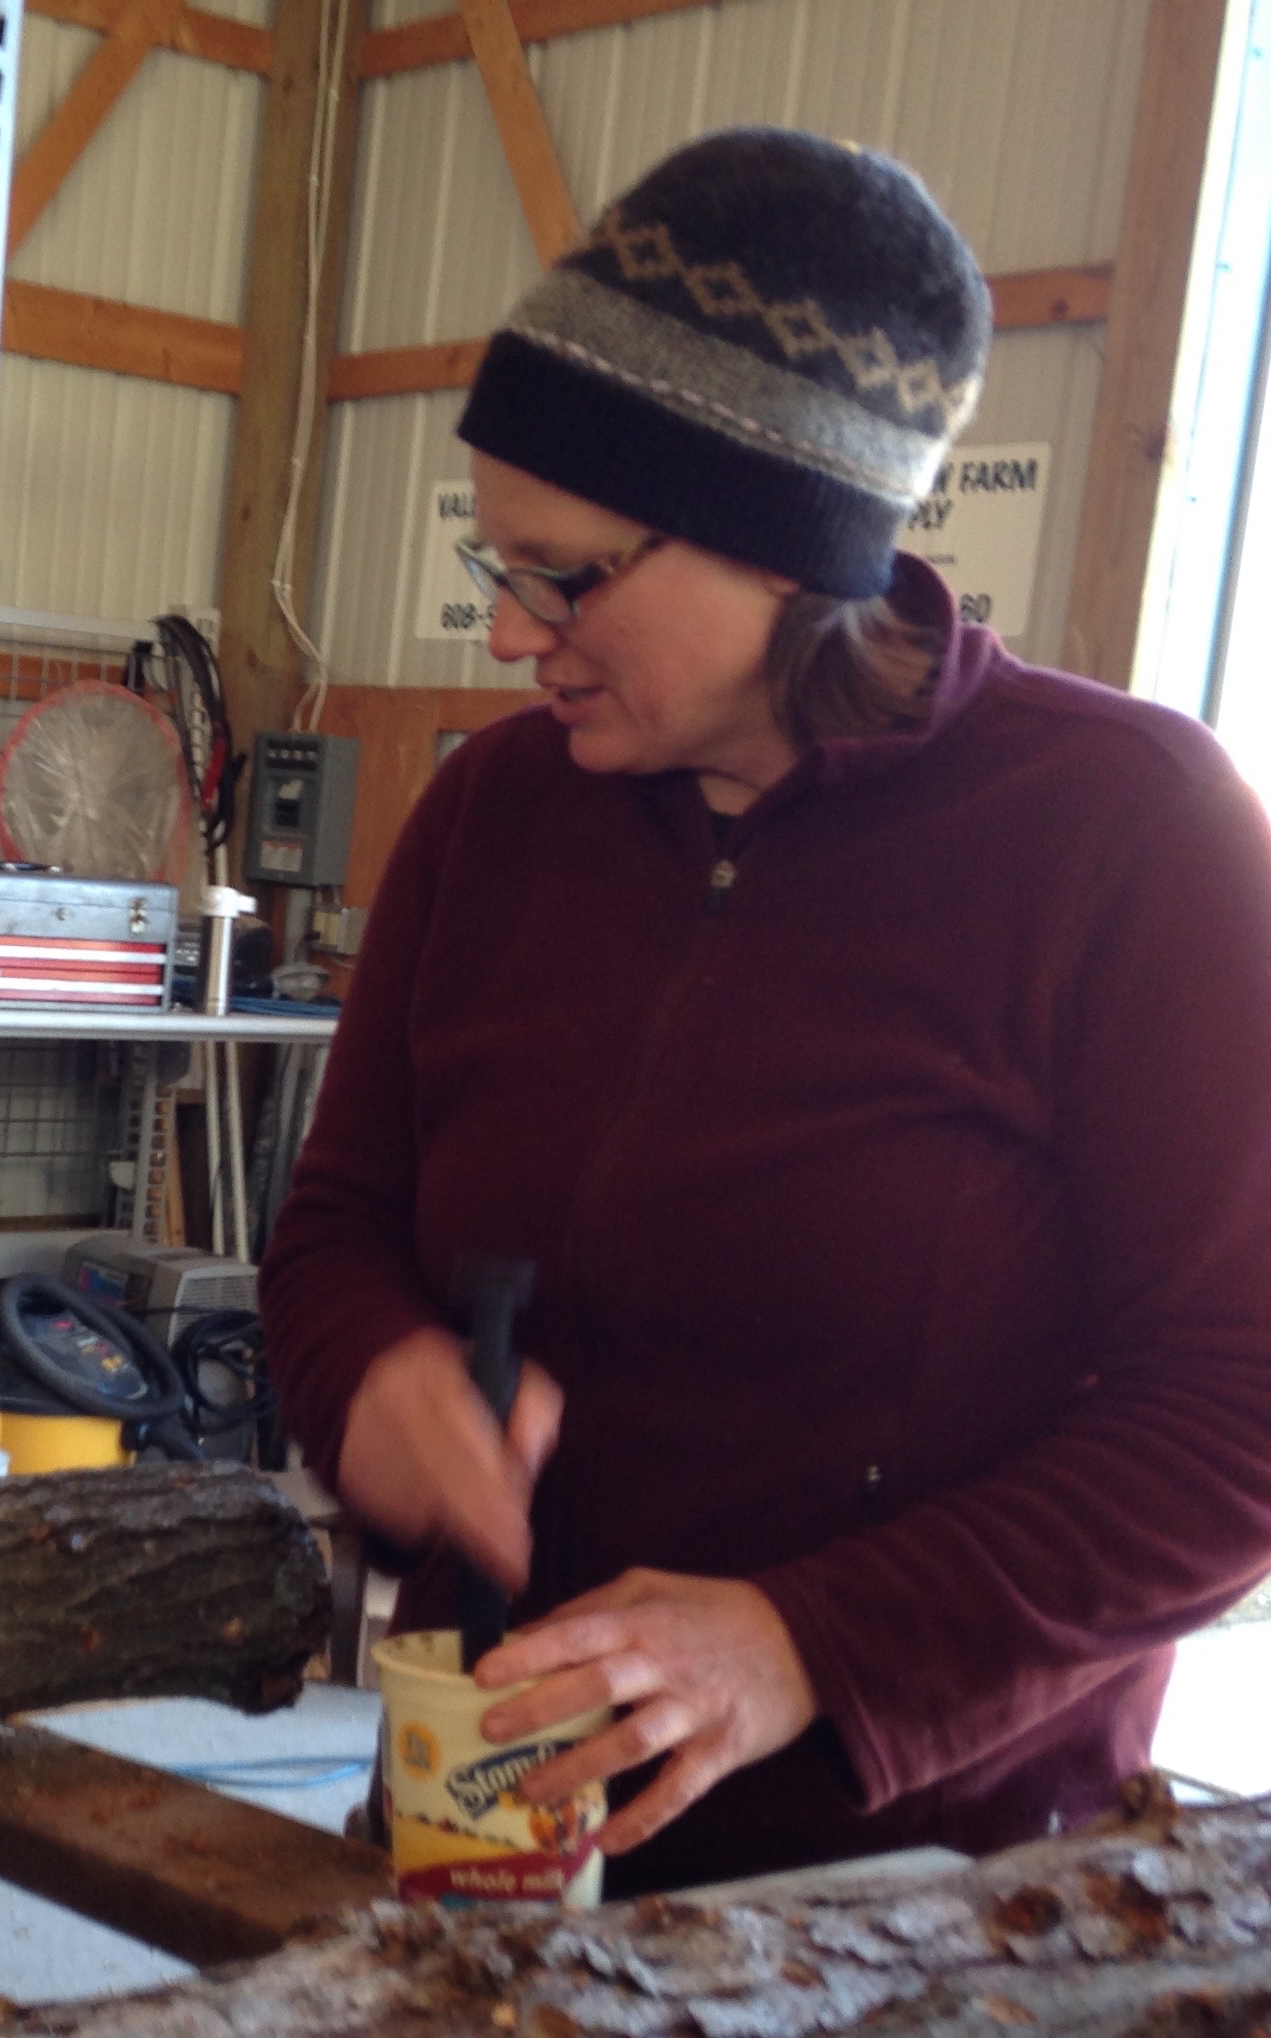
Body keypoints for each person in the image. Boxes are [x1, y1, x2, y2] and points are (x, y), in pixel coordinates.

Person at [260, 127, 1271, 1897]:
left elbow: (1230, 1416)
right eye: (491, 563)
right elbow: (337, 1229)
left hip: (914, 1897)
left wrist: (809, 1644)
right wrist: (374, 1379)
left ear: (783, 546)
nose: (508, 636)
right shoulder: (492, 817)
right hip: (483, 1809)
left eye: (562, 577)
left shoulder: (1130, 838)